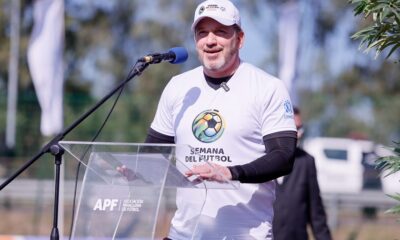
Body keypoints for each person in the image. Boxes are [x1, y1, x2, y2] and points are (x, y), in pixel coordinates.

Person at [145, 0, 297, 239]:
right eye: (202, 33)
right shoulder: (178, 87)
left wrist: (230, 172)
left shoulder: (268, 88)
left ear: (240, 38)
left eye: (221, 32)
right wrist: (131, 170)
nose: (210, 40)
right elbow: (152, 154)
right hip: (183, 234)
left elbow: (283, 158)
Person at [273, 107, 332, 240]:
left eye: (300, 129)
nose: (298, 134)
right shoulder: (256, 160)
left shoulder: (307, 162)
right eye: (293, 129)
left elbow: (316, 214)